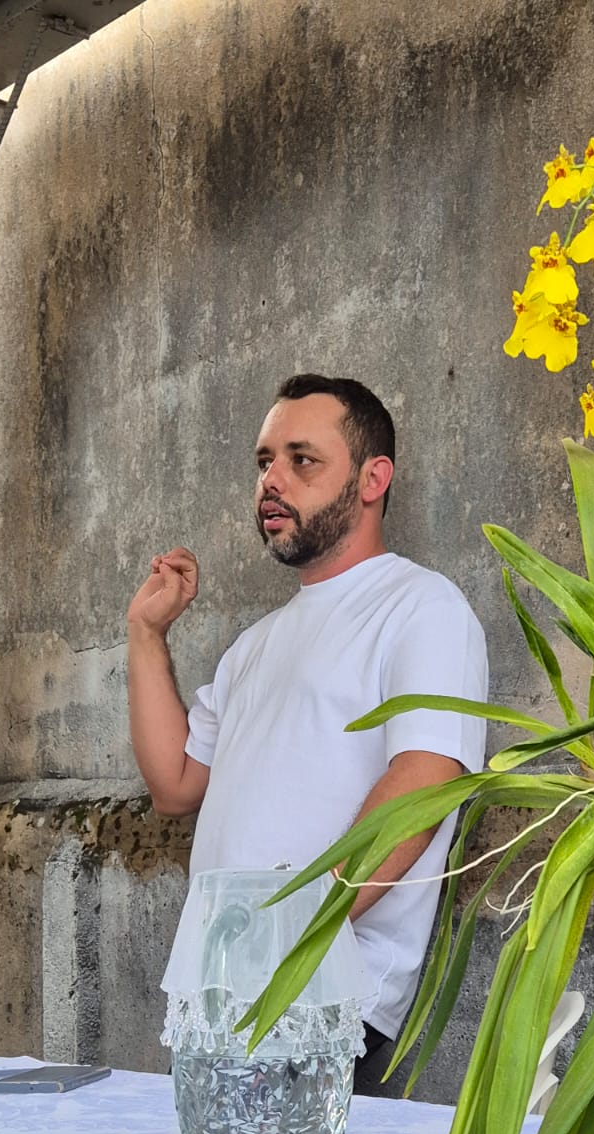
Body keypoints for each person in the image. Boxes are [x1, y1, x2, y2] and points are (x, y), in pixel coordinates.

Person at [127, 374, 488, 1094]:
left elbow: (422, 785)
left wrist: (292, 937)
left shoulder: (422, 609)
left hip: (325, 997)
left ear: (371, 478)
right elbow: (174, 784)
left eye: (302, 460)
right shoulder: (254, 644)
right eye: (265, 461)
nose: (272, 480)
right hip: (220, 995)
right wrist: (145, 632)